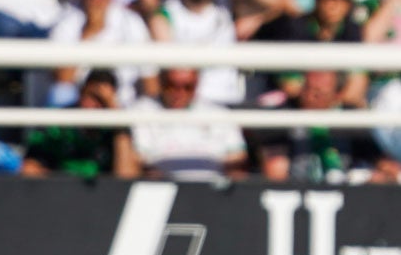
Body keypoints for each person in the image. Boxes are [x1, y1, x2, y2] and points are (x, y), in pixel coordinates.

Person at [256, 68, 397, 183]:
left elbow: (380, 161)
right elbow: (275, 171)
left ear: (336, 95)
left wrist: (379, 174)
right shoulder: (285, 114)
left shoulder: (351, 118)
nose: (310, 96)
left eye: (319, 93)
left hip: (347, 194)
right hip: (296, 192)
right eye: (307, 88)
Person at [46, 0, 156, 107]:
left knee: (149, 105)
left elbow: (150, 81)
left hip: (122, 100)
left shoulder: (131, 22)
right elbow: (63, 80)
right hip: (81, 101)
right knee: (60, 94)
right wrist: (89, 32)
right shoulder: (66, 24)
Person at [130, 67, 250, 181]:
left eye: (187, 87)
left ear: (197, 84)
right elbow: (139, 161)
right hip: (162, 188)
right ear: (161, 82)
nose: (179, 93)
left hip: (213, 190)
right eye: (172, 85)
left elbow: (237, 159)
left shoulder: (219, 113)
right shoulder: (142, 111)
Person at [21, 69, 137, 177]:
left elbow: (126, 176)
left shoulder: (116, 131)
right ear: (81, 92)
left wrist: (115, 113)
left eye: (101, 100)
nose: (92, 105)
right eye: (90, 96)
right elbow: (29, 167)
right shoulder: (57, 124)